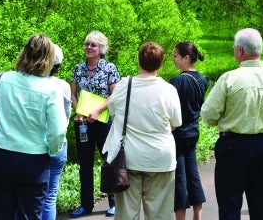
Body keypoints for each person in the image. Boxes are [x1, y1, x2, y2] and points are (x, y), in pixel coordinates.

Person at [200, 28, 263, 220]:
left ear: (239, 50)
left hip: (234, 146)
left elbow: (208, 115)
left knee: (230, 203)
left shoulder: (229, 79)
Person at [103, 42, 182, 220]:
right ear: (160, 64)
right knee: (160, 214)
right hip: (160, 158)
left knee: (127, 214)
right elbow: (176, 123)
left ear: (139, 61)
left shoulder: (124, 86)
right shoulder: (169, 90)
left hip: (128, 159)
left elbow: (114, 115)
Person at [0, 34, 67, 220]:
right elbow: (57, 131)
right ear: (49, 59)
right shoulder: (51, 90)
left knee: (0, 213)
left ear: (24, 52)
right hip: (34, 159)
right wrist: (52, 151)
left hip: (0, 154)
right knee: (30, 215)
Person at [70, 31, 120, 218]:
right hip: (83, 122)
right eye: (87, 44)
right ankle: (86, 205)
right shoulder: (78, 68)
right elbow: (73, 94)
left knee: (109, 161)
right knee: (85, 164)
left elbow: (115, 95)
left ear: (101, 49)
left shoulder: (109, 68)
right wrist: (80, 111)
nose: (89, 47)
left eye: (93, 45)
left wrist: (97, 111)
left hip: (103, 121)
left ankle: (114, 202)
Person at [169, 42, 208, 220]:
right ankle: (197, 215)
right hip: (193, 131)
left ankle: (180, 217)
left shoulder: (176, 81)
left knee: (179, 178)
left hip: (177, 133)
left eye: (176, 55)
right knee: (193, 174)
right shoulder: (202, 80)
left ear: (186, 58)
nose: (173, 59)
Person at [42, 44, 72, 220]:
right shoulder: (63, 86)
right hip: (59, 145)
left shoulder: (30, 83)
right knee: (50, 195)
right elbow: (66, 115)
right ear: (59, 65)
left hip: (35, 146)